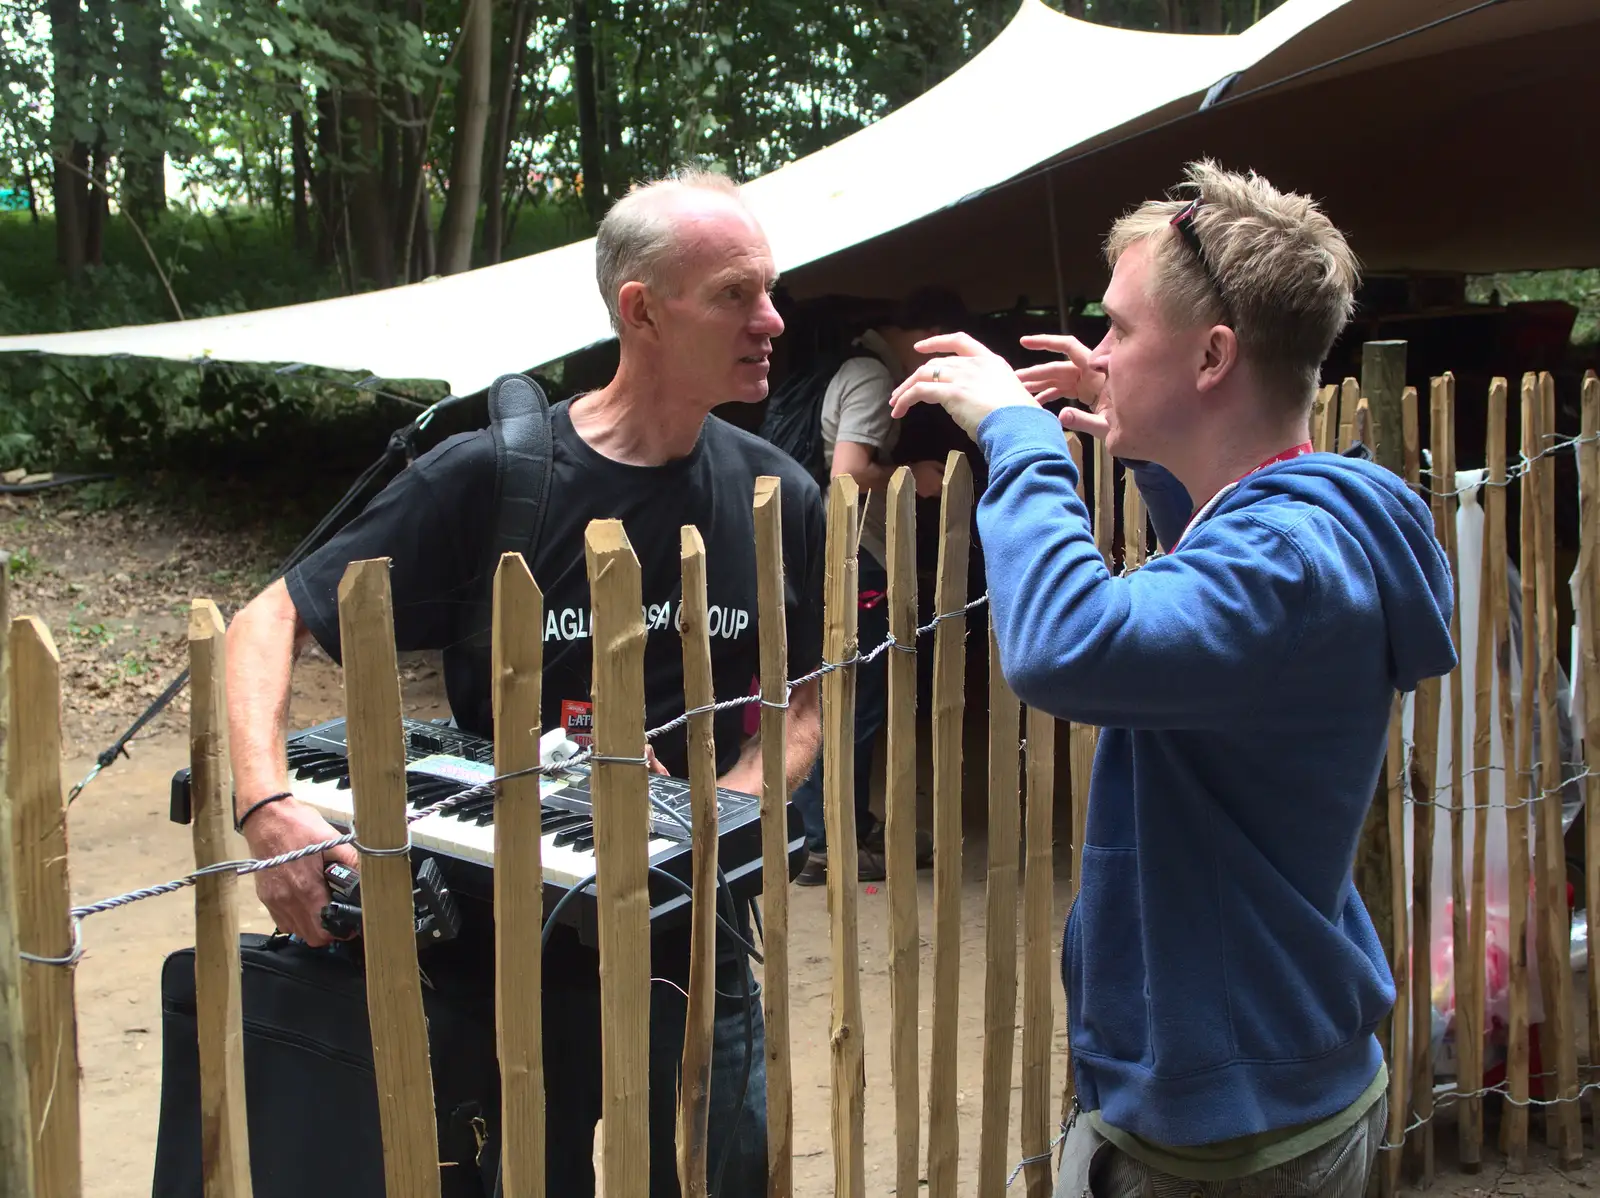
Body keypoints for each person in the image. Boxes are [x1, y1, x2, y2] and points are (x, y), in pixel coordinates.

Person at [223, 168, 825, 1197]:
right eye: (734, 293)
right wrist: (266, 804)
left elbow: (808, 700)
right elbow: (267, 617)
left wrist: (716, 812)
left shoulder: (779, 493)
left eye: (768, 290)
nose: (770, 319)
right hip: (498, 957)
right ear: (641, 309)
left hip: (695, 952)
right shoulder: (498, 475)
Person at [889, 161, 1455, 1197]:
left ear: (1212, 355)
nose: (1098, 354)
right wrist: (1153, 451)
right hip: (1272, 1075)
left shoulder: (1287, 562)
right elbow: (1214, 604)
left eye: (1118, 330)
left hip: (1227, 1137)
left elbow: (1072, 645)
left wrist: (1018, 443)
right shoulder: (1299, 524)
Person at [791, 287, 965, 885]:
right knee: (854, 702)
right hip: (855, 556)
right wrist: (911, 475)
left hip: (842, 554)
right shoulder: (870, 375)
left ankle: (843, 828)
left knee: (836, 693)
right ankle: (825, 843)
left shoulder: (855, 367)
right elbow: (848, 471)